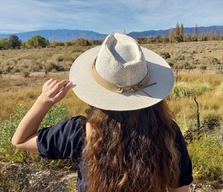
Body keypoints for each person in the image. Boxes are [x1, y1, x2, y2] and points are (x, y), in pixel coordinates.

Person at [12, 33, 193, 192]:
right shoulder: (168, 133)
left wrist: (44, 101)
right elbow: (179, 189)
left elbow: (20, 140)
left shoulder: (79, 132)